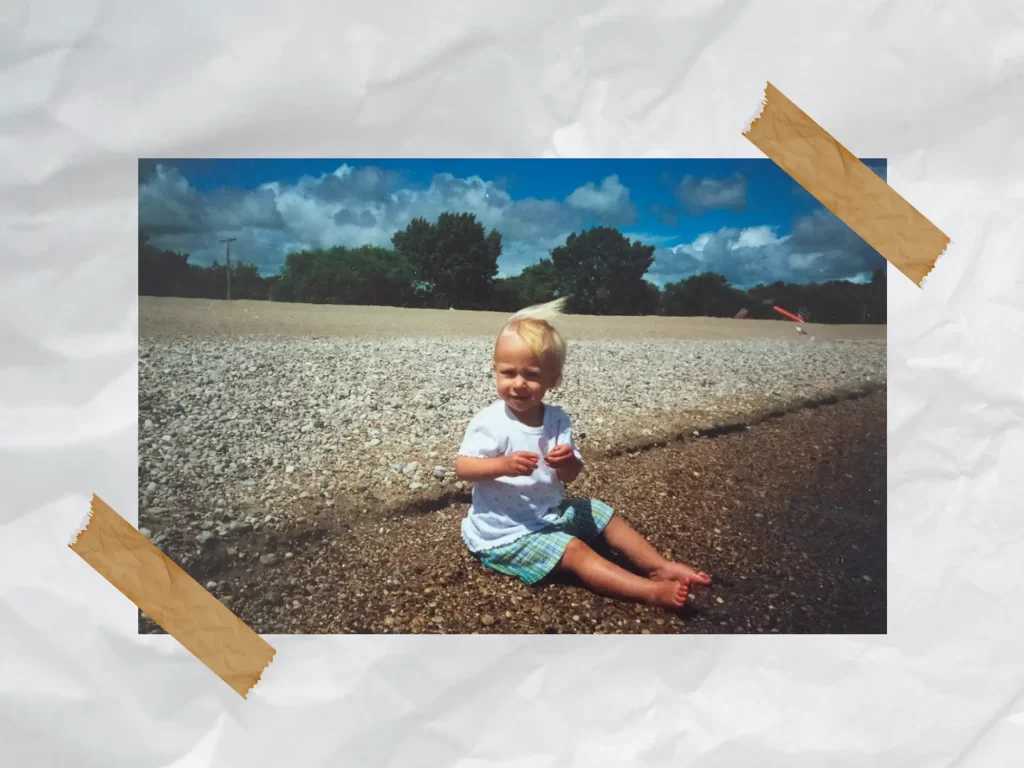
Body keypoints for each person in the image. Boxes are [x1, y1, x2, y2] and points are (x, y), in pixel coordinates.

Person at [455, 298, 711, 611]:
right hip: (505, 533)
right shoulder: (491, 421)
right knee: (574, 550)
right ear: (494, 369)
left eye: (532, 375)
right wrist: (503, 465)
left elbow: (571, 475)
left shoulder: (556, 419)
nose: (519, 384)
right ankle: (649, 591)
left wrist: (567, 462)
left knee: (600, 511)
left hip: (548, 513)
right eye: (508, 373)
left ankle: (659, 566)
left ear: (553, 379)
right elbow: (463, 467)